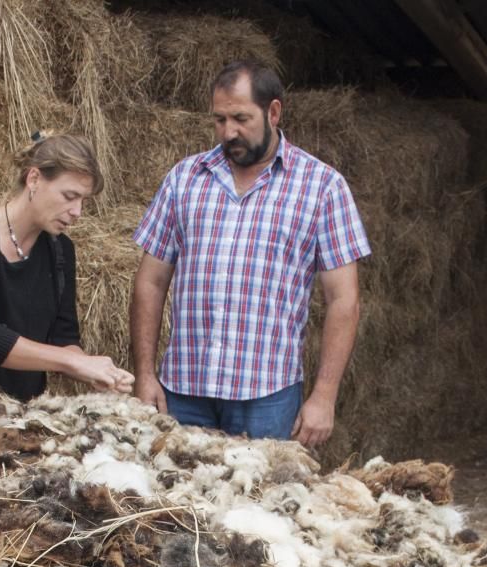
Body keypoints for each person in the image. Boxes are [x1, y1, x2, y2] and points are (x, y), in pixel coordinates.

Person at [130, 61, 371, 448]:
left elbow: (344, 300)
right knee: (179, 507)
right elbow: (151, 280)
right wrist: (144, 374)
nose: (229, 132)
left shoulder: (323, 187)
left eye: (241, 118)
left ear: (273, 112)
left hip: (267, 399)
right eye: (220, 119)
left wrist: (324, 396)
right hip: (184, 392)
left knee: (260, 505)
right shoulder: (184, 178)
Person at [0, 132, 134, 400]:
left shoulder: (61, 251)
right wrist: (70, 362)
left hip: (18, 416)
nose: (77, 212)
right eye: (69, 196)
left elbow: (63, 337)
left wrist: (96, 370)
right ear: (34, 179)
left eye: (83, 200)